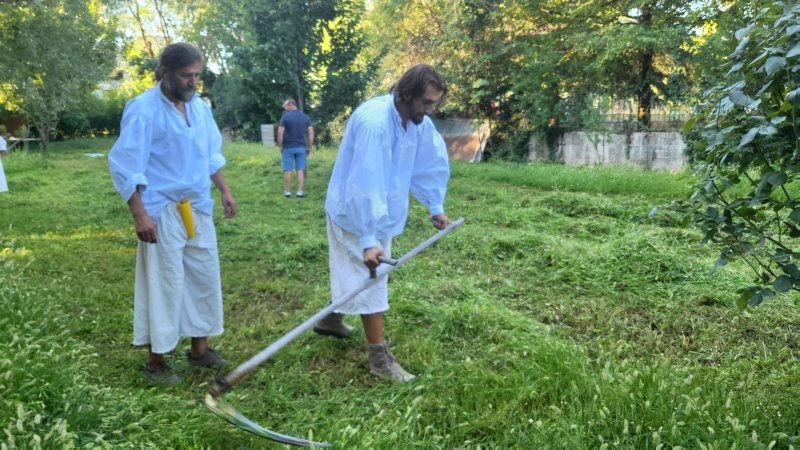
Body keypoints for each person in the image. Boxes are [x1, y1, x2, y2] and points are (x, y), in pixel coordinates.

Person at [108, 43, 237, 384]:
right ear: (164, 71)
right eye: (186, 75)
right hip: (162, 209)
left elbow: (209, 155)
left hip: (197, 206)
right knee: (165, 283)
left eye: (197, 75)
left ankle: (199, 349)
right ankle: (157, 360)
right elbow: (125, 165)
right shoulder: (143, 110)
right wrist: (139, 214)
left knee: (203, 276)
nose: (193, 82)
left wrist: (223, 189)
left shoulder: (200, 108)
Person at [315, 64, 452, 382]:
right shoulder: (375, 123)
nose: (430, 110)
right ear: (407, 93)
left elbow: (428, 162)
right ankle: (379, 359)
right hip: (355, 213)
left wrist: (435, 205)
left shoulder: (417, 122)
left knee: (365, 276)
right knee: (372, 278)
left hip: (382, 216)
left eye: (434, 103)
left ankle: (330, 320)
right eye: (427, 102)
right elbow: (364, 182)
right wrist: (367, 238)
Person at [277, 98, 313, 198]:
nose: (285, 108)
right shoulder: (305, 117)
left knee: (287, 170)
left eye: (285, 106)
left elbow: (280, 132)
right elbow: (311, 132)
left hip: (288, 147)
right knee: (300, 169)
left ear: (290, 105)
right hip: (302, 148)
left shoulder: (285, 117)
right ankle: (299, 192)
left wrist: (280, 145)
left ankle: (287, 192)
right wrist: (309, 146)